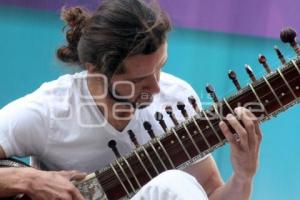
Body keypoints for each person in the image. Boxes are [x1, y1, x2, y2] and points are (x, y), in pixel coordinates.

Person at [0, 0, 262, 199]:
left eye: (161, 67)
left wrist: (243, 176)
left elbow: (209, 192)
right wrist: (27, 179)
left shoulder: (177, 98)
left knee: (174, 184)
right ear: (96, 70)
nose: (157, 88)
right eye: (139, 80)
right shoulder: (49, 110)